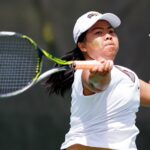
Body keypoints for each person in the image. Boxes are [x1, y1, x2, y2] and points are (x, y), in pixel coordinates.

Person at [45, 11, 150, 150]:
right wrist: (101, 75)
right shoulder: (85, 71)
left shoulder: (128, 75)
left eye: (111, 31)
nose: (108, 36)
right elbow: (96, 83)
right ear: (82, 46)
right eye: (98, 33)